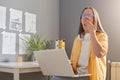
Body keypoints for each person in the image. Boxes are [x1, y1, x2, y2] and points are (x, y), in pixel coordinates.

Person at [51, 7, 108, 80]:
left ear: (95, 19)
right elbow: (72, 62)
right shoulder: (77, 39)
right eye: (83, 15)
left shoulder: (102, 36)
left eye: (89, 15)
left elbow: (99, 53)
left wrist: (92, 33)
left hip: (90, 76)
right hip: (77, 75)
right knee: (55, 78)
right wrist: (66, 68)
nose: (85, 18)